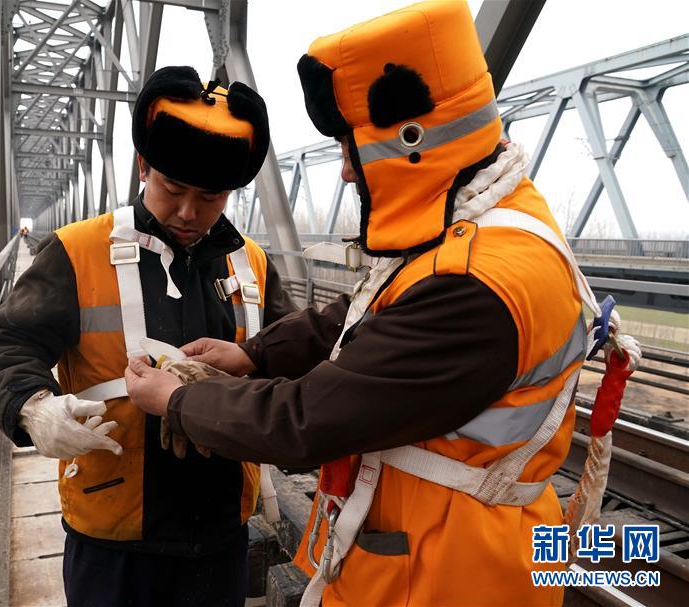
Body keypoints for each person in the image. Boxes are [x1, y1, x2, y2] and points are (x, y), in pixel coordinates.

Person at [125, 2, 591, 605]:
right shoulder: (491, 222)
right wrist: (255, 354)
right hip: (438, 542)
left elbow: (308, 419)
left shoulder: (475, 288)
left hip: (447, 571)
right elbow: (373, 315)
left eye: (352, 148)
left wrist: (179, 400)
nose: (344, 172)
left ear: (411, 142)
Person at [0, 66, 297, 607]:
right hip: (114, 541)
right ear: (144, 166)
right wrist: (31, 406)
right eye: (172, 189)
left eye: (212, 196)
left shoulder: (253, 265)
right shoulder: (76, 251)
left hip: (220, 530)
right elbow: (6, 340)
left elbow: (290, 354)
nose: (190, 212)